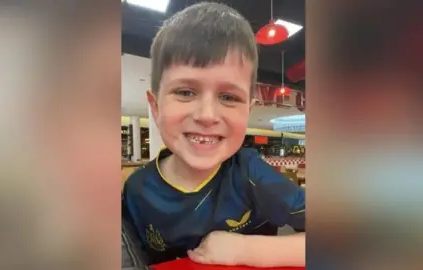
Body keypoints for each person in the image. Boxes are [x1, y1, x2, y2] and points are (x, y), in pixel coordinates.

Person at [122, 2, 305, 267]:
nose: (207, 115)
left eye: (228, 97)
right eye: (185, 92)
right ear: (155, 106)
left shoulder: (251, 174)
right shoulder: (136, 190)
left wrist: (248, 249)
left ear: (248, 111)